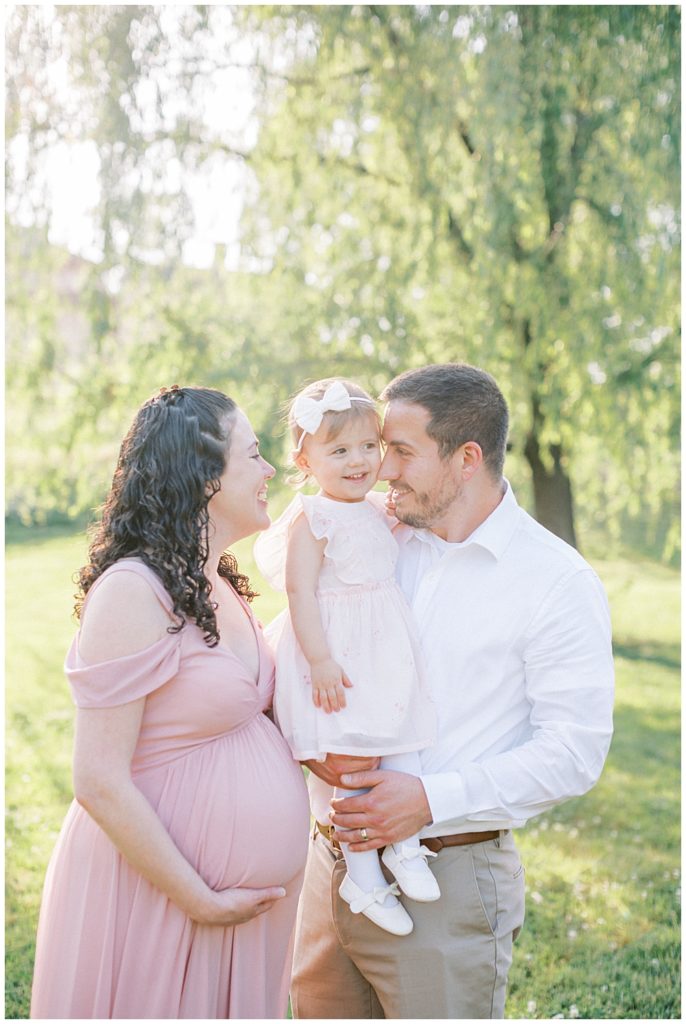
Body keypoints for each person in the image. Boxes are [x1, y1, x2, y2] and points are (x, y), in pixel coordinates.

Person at [289, 363, 615, 1020]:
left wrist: (430, 800)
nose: (382, 469)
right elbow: (299, 633)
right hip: (330, 870)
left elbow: (574, 753)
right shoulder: (377, 535)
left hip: (447, 883)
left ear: (467, 459)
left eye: (401, 451)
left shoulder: (555, 581)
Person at [30, 385, 310, 1019]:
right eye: (255, 454)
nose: (270, 471)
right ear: (204, 474)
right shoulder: (135, 590)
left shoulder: (216, 581)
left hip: (235, 910)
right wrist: (198, 898)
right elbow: (97, 778)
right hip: (157, 899)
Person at [254, 378, 438, 937]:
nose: (358, 461)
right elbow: (300, 592)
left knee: (402, 735)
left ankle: (404, 845)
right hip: (337, 655)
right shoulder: (314, 518)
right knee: (353, 761)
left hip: (383, 652)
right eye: (338, 451)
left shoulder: (380, 507)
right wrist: (321, 659)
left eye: (368, 447)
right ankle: (363, 874)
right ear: (304, 461)